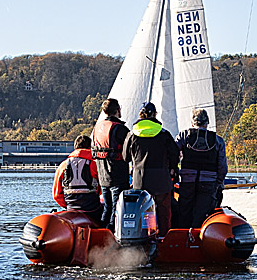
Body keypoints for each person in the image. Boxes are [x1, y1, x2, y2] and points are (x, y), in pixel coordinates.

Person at [122, 102, 179, 236]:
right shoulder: (164, 134)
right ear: (155, 114)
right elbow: (175, 154)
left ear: (140, 115)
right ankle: (164, 238)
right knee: (164, 210)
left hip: (139, 180)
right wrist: (172, 168)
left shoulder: (132, 134)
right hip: (161, 179)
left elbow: (125, 157)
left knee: (141, 210)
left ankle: (143, 236)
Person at [174, 108, 227, 228]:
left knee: (185, 211)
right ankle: (199, 239)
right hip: (208, 182)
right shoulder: (218, 140)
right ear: (207, 123)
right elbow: (222, 167)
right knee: (202, 213)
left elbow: (172, 154)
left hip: (187, 181)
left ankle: (183, 237)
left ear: (192, 123)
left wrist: (175, 173)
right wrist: (218, 182)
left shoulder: (184, 135)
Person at [91, 98, 131, 229]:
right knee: (117, 207)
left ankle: (101, 233)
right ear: (118, 110)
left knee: (107, 208)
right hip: (117, 174)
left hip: (102, 175)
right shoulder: (120, 128)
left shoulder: (97, 128)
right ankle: (112, 234)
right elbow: (130, 149)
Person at [52, 135, 103, 225]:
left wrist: (67, 206)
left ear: (75, 147)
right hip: (92, 208)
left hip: (71, 207)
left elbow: (56, 194)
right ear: (89, 147)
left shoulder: (63, 165)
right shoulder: (94, 165)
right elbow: (101, 188)